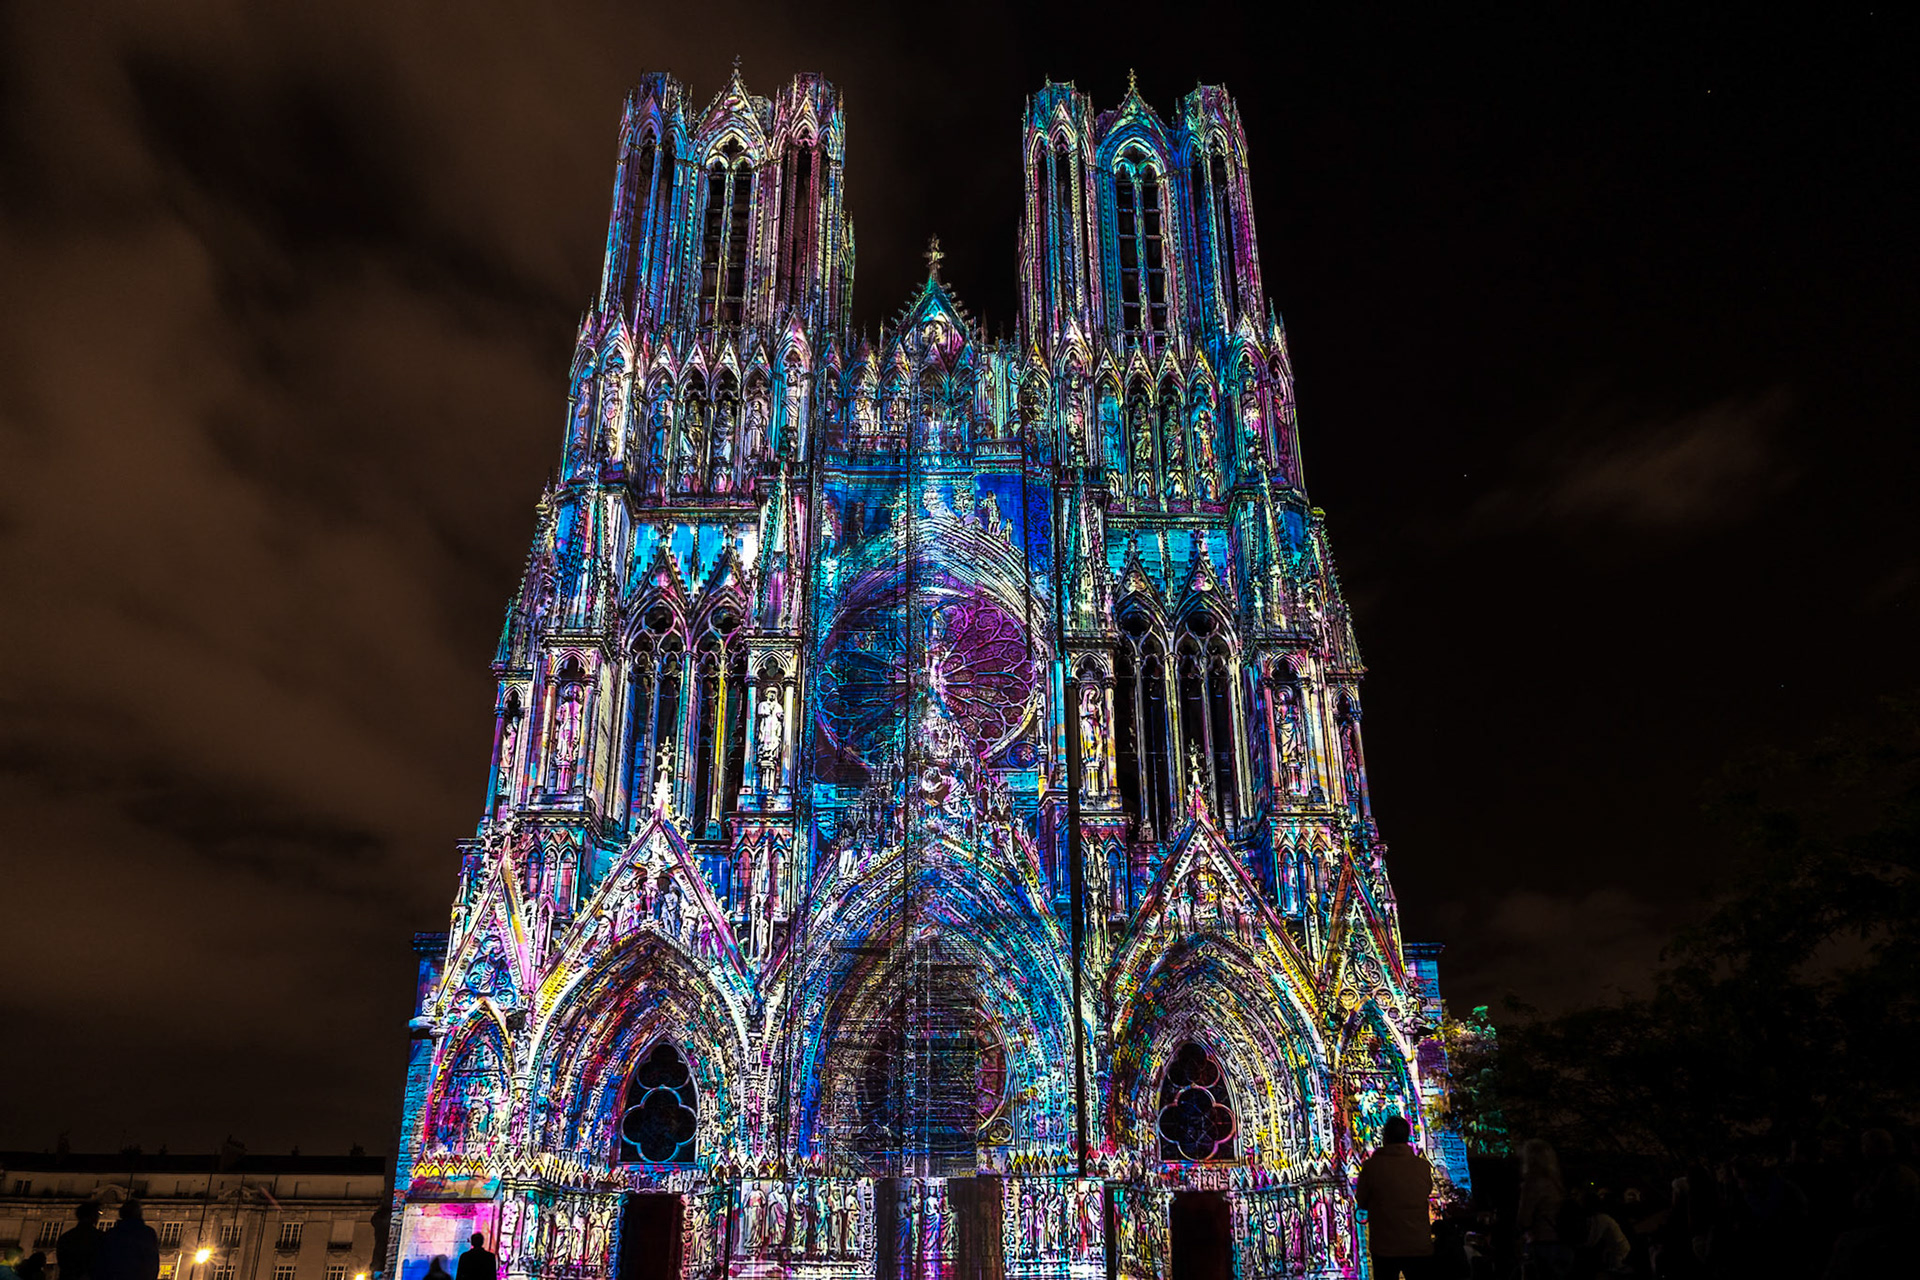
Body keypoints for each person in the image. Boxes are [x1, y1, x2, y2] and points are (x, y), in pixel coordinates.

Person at [1354, 1115, 1435, 1279]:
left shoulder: (1372, 1167)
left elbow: (1361, 1201)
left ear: (1385, 1138)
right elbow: (1425, 1192)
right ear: (1407, 1138)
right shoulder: (1422, 1166)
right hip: (1418, 1244)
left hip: (1385, 1246)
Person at [1516, 1140, 1572, 1279]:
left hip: (1540, 1242)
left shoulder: (1533, 1184)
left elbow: (1524, 1218)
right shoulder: (1556, 1183)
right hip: (1561, 1241)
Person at [93, 1201, 159, 1280]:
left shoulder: (112, 1233)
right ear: (140, 1214)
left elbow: (103, 1263)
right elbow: (152, 1263)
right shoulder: (147, 1233)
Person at [57, 1203, 102, 1280]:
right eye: (98, 1214)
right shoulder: (100, 1238)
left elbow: (63, 1264)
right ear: (93, 1216)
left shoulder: (66, 1237)